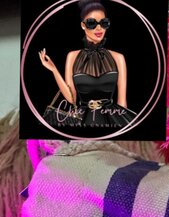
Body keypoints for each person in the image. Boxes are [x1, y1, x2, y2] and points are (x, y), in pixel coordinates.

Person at [39, 0, 136, 128]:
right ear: (83, 25)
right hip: (82, 117)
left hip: (112, 117)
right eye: (91, 23)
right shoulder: (72, 56)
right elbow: (71, 98)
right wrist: (54, 70)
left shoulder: (118, 58)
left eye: (104, 23)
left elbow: (122, 102)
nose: (99, 28)